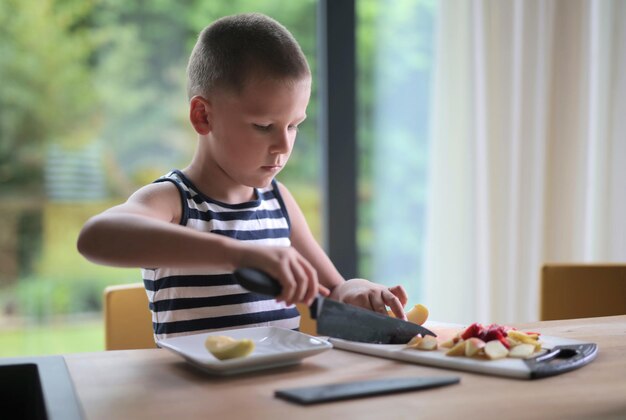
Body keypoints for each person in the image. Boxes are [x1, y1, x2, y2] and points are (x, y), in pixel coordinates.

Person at [77, 13, 408, 340]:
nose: (283, 145)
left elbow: (334, 288)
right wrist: (239, 255)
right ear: (203, 116)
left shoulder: (279, 203)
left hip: (275, 390)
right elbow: (95, 237)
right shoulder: (175, 201)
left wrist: (357, 290)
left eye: (294, 125)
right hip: (196, 393)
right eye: (264, 126)